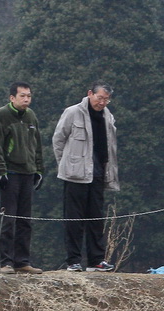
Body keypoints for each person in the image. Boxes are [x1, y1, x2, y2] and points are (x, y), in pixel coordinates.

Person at [52, 82, 119, 273]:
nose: (102, 102)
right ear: (90, 94)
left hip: (98, 173)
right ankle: (73, 260)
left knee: (96, 218)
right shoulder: (73, 112)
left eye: (106, 99)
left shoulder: (108, 116)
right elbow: (58, 140)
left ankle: (96, 260)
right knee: (74, 219)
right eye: (100, 98)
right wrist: (66, 164)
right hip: (74, 175)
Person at [0, 81, 44, 275]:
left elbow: (37, 145)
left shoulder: (31, 116)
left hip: (28, 172)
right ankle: (6, 262)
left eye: (29, 95)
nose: (26, 99)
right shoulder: (0, 116)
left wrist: (39, 169)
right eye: (22, 96)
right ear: (12, 98)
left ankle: (22, 261)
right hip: (10, 172)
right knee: (9, 218)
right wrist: (0, 172)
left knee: (25, 220)